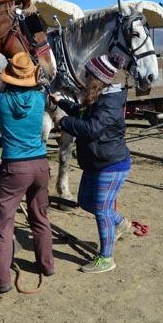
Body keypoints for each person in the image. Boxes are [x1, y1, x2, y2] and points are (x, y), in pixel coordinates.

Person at [49, 54, 132, 273]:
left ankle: (106, 258)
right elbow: (82, 112)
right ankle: (121, 222)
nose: (84, 77)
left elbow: (92, 128)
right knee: (86, 202)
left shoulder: (111, 103)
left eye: (88, 74)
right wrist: (62, 103)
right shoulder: (98, 97)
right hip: (96, 162)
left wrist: (63, 121)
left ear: (97, 78)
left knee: (102, 210)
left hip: (111, 164)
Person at [0, 52, 54, 293]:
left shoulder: (0, 101)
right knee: (40, 217)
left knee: (3, 224)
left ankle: (1, 280)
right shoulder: (39, 97)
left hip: (15, 167)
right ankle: (47, 265)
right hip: (41, 165)